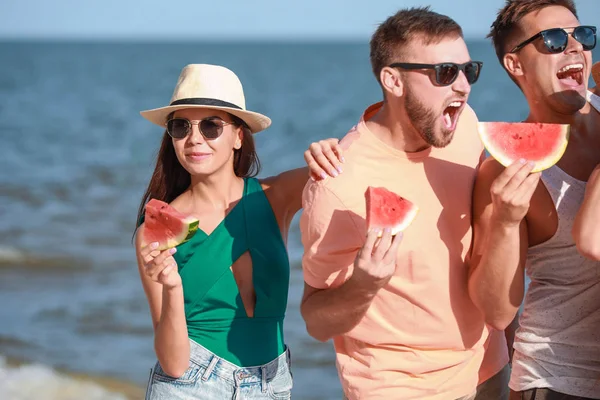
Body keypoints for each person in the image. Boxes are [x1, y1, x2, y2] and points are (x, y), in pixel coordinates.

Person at [299, 7, 510, 400]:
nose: (463, 87)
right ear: (392, 80)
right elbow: (315, 321)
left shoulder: (464, 127)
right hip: (400, 388)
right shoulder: (337, 185)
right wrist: (364, 285)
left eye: (469, 70)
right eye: (445, 73)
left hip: (488, 368)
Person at [133, 63, 340, 400]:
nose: (194, 138)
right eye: (180, 126)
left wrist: (329, 151)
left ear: (239, 136)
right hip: (189, 388)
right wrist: (171, 288)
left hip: (272, 385)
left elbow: (349, 169)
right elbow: (173, 363)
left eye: (212, 126)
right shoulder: (153, 232)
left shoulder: (277, 196)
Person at [468, 1, 600, 399]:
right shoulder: (502, 172)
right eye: (554, 40)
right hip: (556, 377)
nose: (574, 47)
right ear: (515, 64)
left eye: (584, 35)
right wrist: (507, 222)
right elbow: (496, 312)